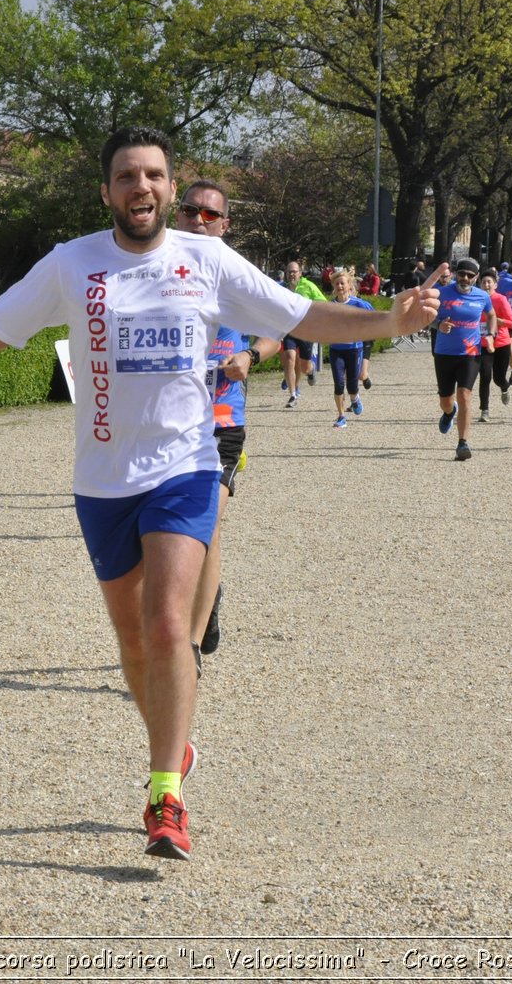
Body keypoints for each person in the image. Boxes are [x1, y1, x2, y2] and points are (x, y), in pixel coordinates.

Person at [0, 126, 442, 861]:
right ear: (107, 191)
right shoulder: (73, 263)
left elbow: (298, 314)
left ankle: (165, 794)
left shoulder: (207, 258)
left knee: (167, 626)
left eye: (154, 175)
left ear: (170, 186)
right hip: (101, 484)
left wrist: (386, 320)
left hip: (185, 466)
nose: (142, 188)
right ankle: (173, 742)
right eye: (127, 176)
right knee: (131, 643)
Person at [174, 179, 282, 667]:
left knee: (207, 523)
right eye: (191, 211)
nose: (199, 220)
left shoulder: (237, 276)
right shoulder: (155, 270)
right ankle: (205, 600)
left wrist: (250, 355)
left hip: (222, 423)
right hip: (169, 423)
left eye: (210, 215)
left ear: (225, 224)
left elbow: (279, 330)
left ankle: (190, 644)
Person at [432, 258, 494, 461]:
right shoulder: (442, 293)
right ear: (455, 274)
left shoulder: (483, 296)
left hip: (470, 354)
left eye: (469, 275)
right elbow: (425, 316)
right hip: (444, 353)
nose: (465, 278)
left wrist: (491, 334)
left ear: (476, 278)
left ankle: (462, 444)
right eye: (461, 274)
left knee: (465, 395)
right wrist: (438, 324)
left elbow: (491, 314)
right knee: (446, 400)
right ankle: (449, 413)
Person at [327, 271, 372, 427]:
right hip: (336, 350)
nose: (340, 286)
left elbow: (375, 317)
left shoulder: (359, 304)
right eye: (337, 283)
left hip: (354, 349)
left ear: (349, 285)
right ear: (333, 286)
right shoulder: (330, 307)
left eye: (342, 283)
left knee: (352, 385)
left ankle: (354, 398)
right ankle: (341, 417)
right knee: (338, 383)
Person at [279, 261, 325, 405]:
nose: (292, 274)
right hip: (289, 329)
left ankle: (311, 371)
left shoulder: (308, 286)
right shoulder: (282, 288)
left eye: (294, 271)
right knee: (289, 358)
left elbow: (323, 303)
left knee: (304, 366)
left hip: (306, 330)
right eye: (289, 272)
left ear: (300, 273)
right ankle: (293, 395)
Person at [476, 269, 512, 423]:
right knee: (485, 376)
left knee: (498, 378)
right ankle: (484, 410)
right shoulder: (476, 299)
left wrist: (494, 320)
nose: (486, 285)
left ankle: (504, 387)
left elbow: (511, 322)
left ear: (495, 285)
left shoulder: (500, 299)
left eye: (489, 282)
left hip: (501, 343)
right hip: (483, 343)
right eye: (483, 282)